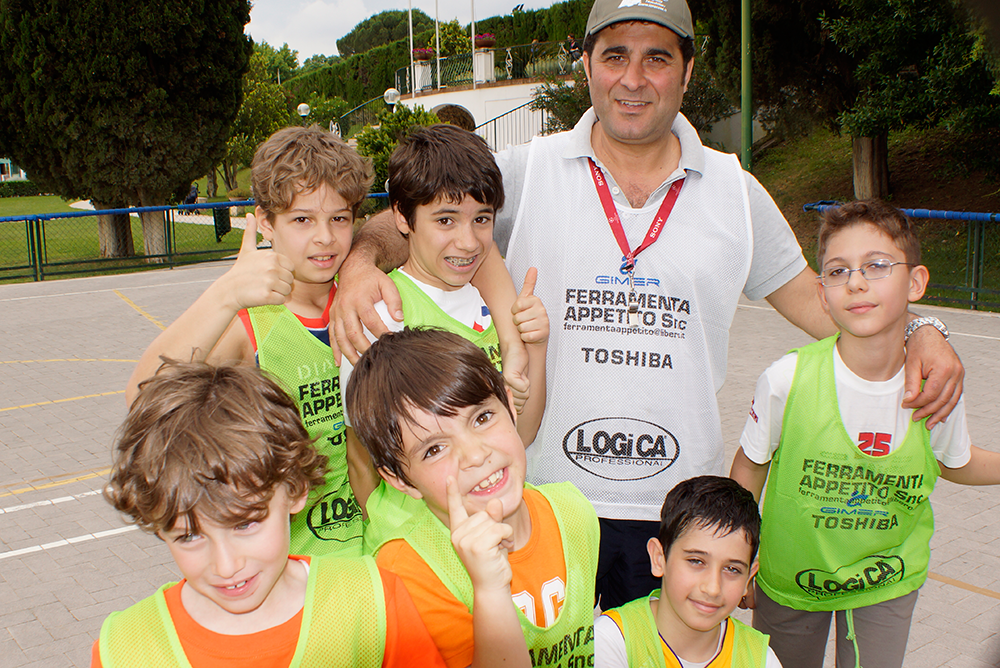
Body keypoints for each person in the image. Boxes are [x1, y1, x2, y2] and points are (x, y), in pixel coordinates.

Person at [329, 0, 962, 610]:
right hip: (539, 503)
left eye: (656, 58)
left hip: (674, 514)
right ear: (586, 65)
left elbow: (830, 306)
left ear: (687, 72)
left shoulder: (736, 192)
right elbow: (417, 215)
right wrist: (359, 265)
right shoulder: (525, 170)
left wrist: (923, 329)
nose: (633, 79)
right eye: (615, 56)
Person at [730, 200, 1000, 668]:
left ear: (915, 282)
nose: (856, 282)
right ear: (822, 294)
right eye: (838, 271)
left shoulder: (934, 385)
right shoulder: (787, 379)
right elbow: (749, 467)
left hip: (886, 578)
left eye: (876, 265)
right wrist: (736, 557)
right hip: (792, 575)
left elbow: (955, 462)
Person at [94, 360, 446, 668]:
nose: (226, 566)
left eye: (246, 524)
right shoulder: (124, 650)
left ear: (295, 489)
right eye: (189, 536)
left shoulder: (372, 601)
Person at [126, 125, 375, 557]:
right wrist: (226, 293)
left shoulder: (366, 297)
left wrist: (363, 265)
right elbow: (143, 396)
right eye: (302, 220)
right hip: (298, 565)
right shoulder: (251, 324)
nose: (325, 236)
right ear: (264, 222)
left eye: (339, 218)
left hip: (379, 550)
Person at [338, 124, 548, 551]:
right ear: (402, 217)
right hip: (423, 548)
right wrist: (397, 545)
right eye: (445, 220)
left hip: (489, 532)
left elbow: (522, 434)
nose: (468, 241)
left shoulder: (494, 301)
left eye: (481, 219)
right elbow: (362, 459)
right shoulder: (382, 316)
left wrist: (535, 349)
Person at [344, 328, 599, 668]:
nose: (476, 455)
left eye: (482, 418)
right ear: (399, 479)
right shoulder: (404, 573)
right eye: (434, 449)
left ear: (509, 406)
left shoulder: (573, 510)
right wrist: (490, 590)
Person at [596, 476, 781, 668]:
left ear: (749, 578)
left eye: (732, 569)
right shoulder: (611, 641)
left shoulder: (761, 660)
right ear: (659, 558)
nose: (713, 588)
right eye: (696, 561)